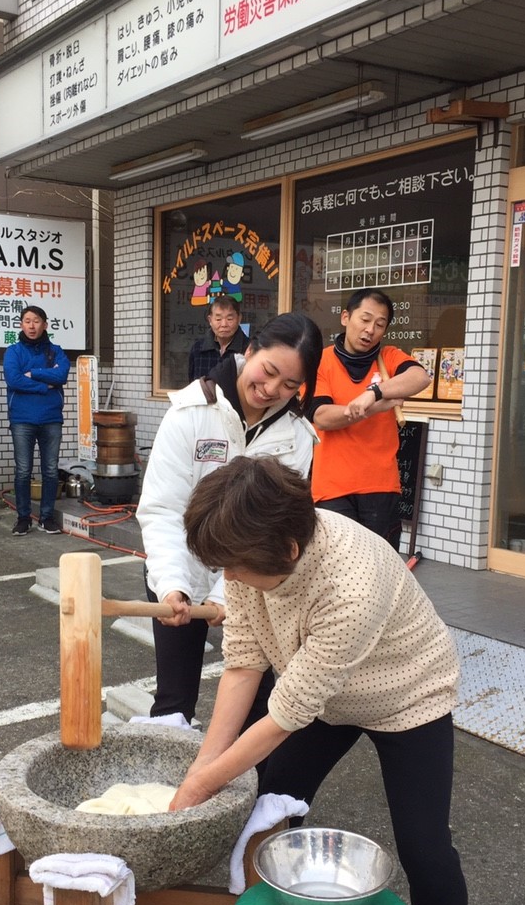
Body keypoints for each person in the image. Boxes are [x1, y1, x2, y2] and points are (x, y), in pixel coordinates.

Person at [171, 455, 472, 905]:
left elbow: (287, 712)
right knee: (260, 804)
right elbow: (244, 662)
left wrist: (203, 781)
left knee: (424, 848)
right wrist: (203, 768)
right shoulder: (246, 545)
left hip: (407, 694)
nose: (229, 577)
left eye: (235, 567)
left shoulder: (351, 581)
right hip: (326, 696)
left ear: (286, 548)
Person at [137, 312, 322, 723]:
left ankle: (248, 784)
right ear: (250, 350)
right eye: (268, 371)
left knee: (257, 703)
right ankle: (172, 786)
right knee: (173, 701)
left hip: (252, 583)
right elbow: (163, 509)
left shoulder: (296, 437)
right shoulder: (190, 412)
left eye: (290, 385)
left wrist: (226, 593)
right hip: (178, 569)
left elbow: (276, 529)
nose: (272, 389)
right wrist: (172, 586)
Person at [308, 288, 431, 549]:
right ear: (345, 317)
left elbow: (420, 377)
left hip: (381, 486)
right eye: (364, 320)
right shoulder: (321, 361)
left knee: (380, 571)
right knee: (339, 572)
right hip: (332, 489)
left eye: (379, 324)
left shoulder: (388, 358)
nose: (370, 330)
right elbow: (322, 417)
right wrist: (374, 407)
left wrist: (373, 393)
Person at [2, 305, 71, 535]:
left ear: (45, 324)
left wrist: (34, 373)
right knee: (23, 470)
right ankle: (23, 518)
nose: (32, 326)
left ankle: (46, 517)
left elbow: (61, 375)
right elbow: (14, 380)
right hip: (22, 418)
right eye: (27, 321)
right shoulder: (13, 352)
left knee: (50, 470)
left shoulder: (56, 351)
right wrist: (45, 385)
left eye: (36, 321)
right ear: (21, 324)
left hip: (51, 418)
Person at [187, 294, 249, 382]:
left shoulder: (249, 350)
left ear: (239, 318)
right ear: (210, 320)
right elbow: (192, 384)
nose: (224, 324)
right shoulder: (198, 349)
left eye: (230, 319)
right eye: (218, 319)